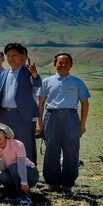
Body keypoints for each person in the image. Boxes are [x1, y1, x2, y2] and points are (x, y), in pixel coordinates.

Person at [37, 52, 90, 191]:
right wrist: (40, 123)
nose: (63, 65)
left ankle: (67, 183)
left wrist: (82, 124)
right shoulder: (47, 82)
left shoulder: (78, 82)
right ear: (55, 64)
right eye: (60, 62)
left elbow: (85, 103)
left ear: (71, 65)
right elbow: (40, 103)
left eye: (67, 62)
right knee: (51, 150)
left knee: (71, 151)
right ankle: (51, 182)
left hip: (71, 117)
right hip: (52, 117)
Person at [0, 43, 42, 164]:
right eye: (8, 55)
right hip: (4, 116)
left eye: (14, 55)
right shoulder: (4, 74)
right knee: (5, 146)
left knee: (24, 146)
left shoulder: (27, 72)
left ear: (21, 56)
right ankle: (10, 172)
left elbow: (36, 83)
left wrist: (34, 74)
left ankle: (28, 172)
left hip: (21, 116)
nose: (11, 58)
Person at [0, 122, 39, 206]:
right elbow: (2, 169)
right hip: (13, 174)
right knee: (3, 175)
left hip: (29, 173)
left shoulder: (17, 144)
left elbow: (21, 165)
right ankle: (14, 195)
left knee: (13, 167)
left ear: (5, 134)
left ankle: (25, 197)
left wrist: (24, 182)